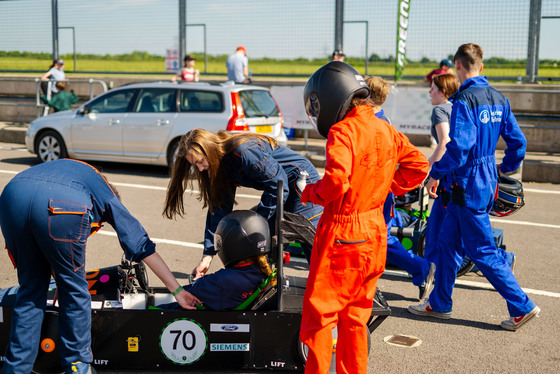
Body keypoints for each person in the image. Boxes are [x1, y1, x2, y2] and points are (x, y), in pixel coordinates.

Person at [0, 159, 201, 374]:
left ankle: (15, 369)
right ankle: (78, 366)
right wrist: (177, 291)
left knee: (30, 292)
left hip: (12, 197)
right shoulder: (105, 192)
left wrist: (59, 276)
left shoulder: (71, 169)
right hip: (63, 207)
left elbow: (42, 235)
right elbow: (139, 243)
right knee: (75, 293)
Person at [300, 61, 429, 373]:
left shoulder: (343, 131)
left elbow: (336, 183)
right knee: (356, 318)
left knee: (320, 319)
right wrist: (386, 188)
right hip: (374, 231)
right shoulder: (385, 128)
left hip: (344, 230)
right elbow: (420, 165)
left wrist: (309, 192)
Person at [408, 43, 540, 331]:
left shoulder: (465, 100)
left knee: (481, 249)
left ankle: (522, 305)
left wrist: (436, 174)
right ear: (482, 66)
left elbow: (460, 148)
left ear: (457, 66)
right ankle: (439, 303)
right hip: (481, 179)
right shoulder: (498, 98)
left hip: (465, 182)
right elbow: (518, 143)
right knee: (447, 244)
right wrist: (503, 169)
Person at [163, 128, 323, 278]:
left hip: (302, 181)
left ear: (209, 150)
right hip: (282, 187)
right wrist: (208, 255)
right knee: (263, 245)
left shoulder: (243, 152)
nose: (200, 169)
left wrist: (259, 222)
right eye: (194, 165)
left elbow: (277, 183)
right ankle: (265, 288)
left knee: (310, 240)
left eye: (200, 161)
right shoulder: (219, 165)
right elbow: (218, 208)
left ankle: (328, 289)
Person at [365, 75, 435, 300]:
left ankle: (420, 268)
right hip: (376, 192)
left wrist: (390, 186)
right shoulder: (379, 121)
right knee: (376, 239)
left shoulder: (379, 124)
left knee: (381, 239)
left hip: (377, 193)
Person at [158, 210, 276, 311]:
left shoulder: (223, 281)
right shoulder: (262, 271)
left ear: (233, 244)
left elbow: (188, 293)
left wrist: (198, 281)